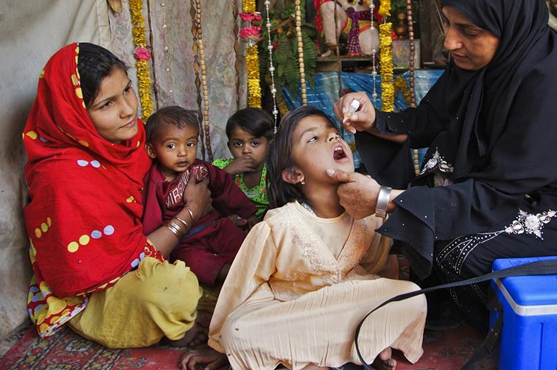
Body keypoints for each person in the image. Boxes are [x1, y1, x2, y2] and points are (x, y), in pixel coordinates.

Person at [330, 0, 557, 330]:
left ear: (508, 23)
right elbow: (431, 119)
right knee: (434, 194)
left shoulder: (550, 86)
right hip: (520, 189)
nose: (450, 42)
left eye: (469, 31)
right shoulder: (482, 61)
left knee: (458, 251)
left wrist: (385, 200)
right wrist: (373, 119)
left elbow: (495, 194)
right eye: (447, 23)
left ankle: (513, 327)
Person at [22, 42, 226, 363]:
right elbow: (125, 257)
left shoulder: (133, 138)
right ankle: (172, 326)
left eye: (128, 90)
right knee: (170, 291)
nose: (129, 109)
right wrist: (190, 213)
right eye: (107, 104)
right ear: (72, 114)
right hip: (99, 290)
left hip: (155, 245)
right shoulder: (62, 178)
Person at [180, 106, 427, 370]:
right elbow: (242, 286)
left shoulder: (368, 213)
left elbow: (381, 269)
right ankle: (355, 349)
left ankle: (323, 355)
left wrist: (381, 315)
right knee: (238, 331)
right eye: (314, 138)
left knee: (412, 296)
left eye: (334, 133)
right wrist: (219, 346)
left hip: (347, 306)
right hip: (292, 313)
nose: (333, 138)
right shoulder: (278, 224)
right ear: (294, 174)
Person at [142, 106, 258, 288]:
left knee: (244, 245)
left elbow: (225, 188)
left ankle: (254, 269)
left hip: (215, 226)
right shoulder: (155, 183)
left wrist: (249, 214)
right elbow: (151, 221)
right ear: (152, 150)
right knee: (195, 264)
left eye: (190, 144)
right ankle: (229, 275)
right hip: (184, 241)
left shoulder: (201, 169)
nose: (183, 152)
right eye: (171, 146)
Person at [212, 107, 274, 219]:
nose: (246, 150)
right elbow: (208, 194)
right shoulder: (220, 167)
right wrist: (227, 173)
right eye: (238, 144)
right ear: (229, 147)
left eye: (255, 143)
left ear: (270, 145)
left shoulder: (274, 170)